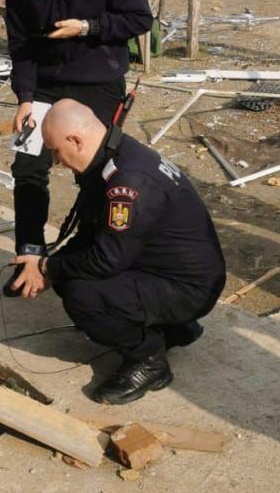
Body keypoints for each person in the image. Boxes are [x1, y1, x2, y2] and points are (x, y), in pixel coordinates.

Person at [22, 99, 226, 404]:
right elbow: (93, 232)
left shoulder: (128, 182)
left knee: (82, 293)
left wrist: (49, 269)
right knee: (71, 268)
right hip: (176, 272)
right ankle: (175, 329)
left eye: (55, 151)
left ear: (75, 140)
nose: (55, 161)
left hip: (187, 289)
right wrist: (48, 263)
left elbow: (106, 260)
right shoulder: (114, 153)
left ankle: (147, 359)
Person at [2, 0, 153, 298]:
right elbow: (21, 44)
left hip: (98, 82)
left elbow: (140, 18)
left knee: (96, 174)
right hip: (47, 86)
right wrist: (25, 98)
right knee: (28, 168)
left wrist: (87, 28)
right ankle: (29, 260)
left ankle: (91, 260)